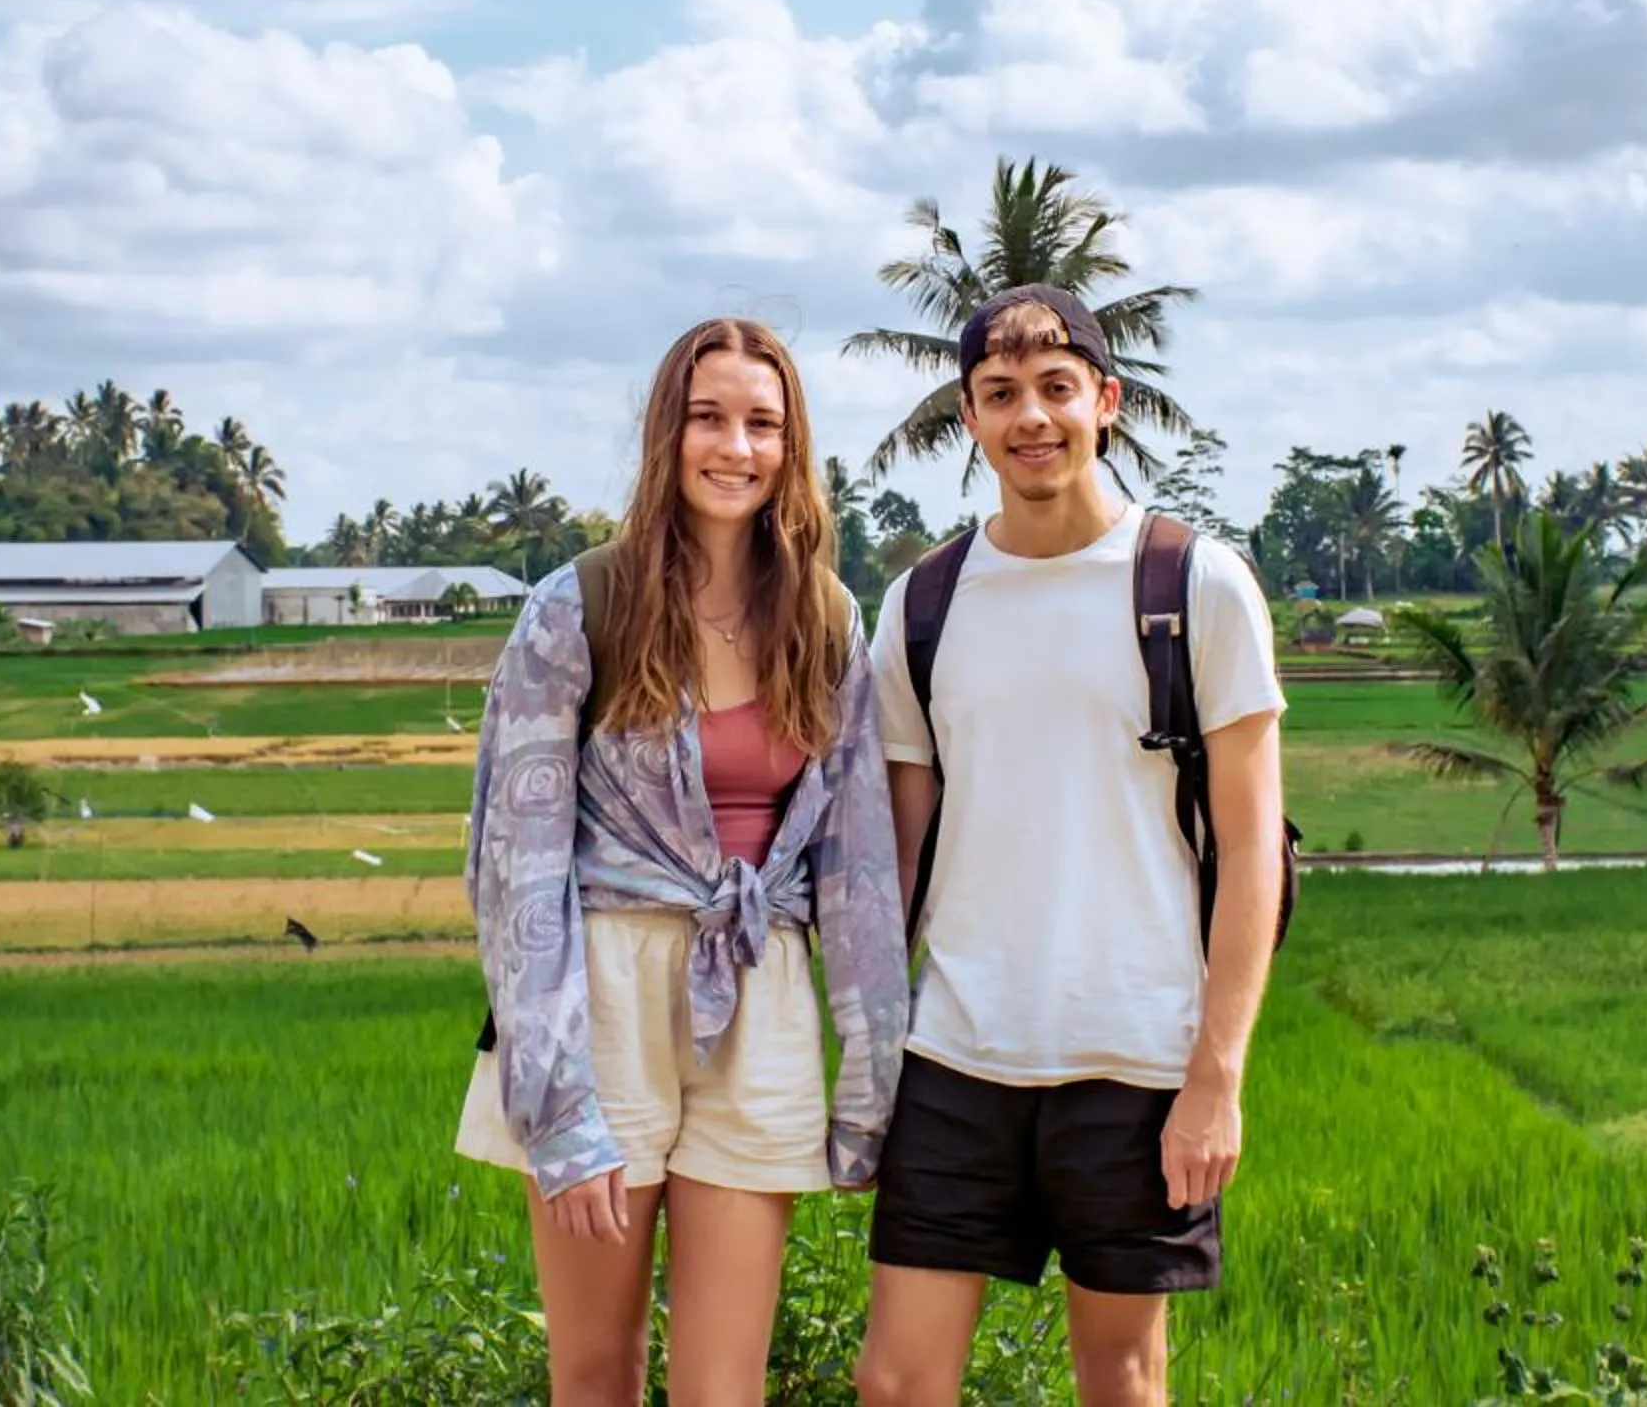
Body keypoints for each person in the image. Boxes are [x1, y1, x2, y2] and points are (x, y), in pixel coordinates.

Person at [456, 317, 909, 1407]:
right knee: (598, 1373)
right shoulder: (578, 606)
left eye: (763, 422)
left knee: (724, 1387)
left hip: (763, 991)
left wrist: (873, 1077)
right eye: (709, 417)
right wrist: (559, 1105)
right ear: (669, 431)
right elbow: (515, 865)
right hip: (604, 996)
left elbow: (856, 864)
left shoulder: (829, 617)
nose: (734, 446)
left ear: (791, 447)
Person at [853, 287, 1290, 1407]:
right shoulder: (920, 604)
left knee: (1123, 1375)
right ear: (969, 416)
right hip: (956, 1057)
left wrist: (1217, 1078)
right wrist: (867, 1059)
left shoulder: (1195, 585)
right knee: (898, 1380)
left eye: (1056, 388)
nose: (1031, 416)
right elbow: (896, 861)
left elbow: (1253, 852)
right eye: (1001, 394)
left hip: (1139, 1058)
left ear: (1107, 398)